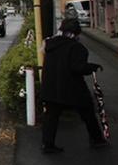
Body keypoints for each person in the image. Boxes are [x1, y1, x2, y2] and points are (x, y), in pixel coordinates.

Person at [39, 17, 108, 153]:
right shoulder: (77, 47)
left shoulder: (50, 44)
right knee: (88, 112)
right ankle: (97, 139)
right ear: (77, 32)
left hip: (51, 86)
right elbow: (78, 68)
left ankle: (47, 144)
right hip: (72, 88)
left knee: (51, 116)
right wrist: (92, 67)